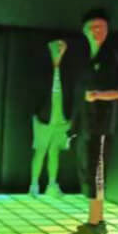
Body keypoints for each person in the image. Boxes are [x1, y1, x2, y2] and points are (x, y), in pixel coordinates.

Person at [69, 8, 118, 234]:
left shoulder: (111, 57)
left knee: (96, 173)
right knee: (88, 171)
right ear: (85, 31)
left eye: (101, 27)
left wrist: (98, 95)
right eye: (92, 27)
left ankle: (95, 223)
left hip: (101, 126)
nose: (96, 32)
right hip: (86, 125)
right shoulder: (86, 58)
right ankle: (96, 219)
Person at [29, 38, 72, 196]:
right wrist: (37, 112)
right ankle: (34, 185)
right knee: (41, 150)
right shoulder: (43, 66)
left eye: (62, 46)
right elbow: (34, 91)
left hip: (61, 118)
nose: (60, 49)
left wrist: (70, 117)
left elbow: (72, 91)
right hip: (44, 117)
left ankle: (52, 184)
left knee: (54, 152)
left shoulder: (67, 68)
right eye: (57, 46)